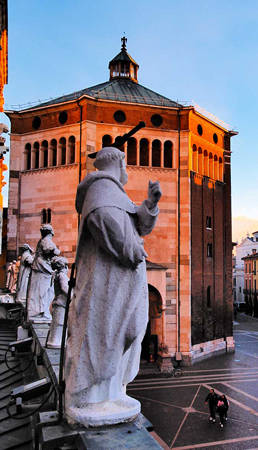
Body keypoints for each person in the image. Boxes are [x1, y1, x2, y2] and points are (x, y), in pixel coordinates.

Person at [64, 146, 161, 427]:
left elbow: (135, 224)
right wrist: (130, 249)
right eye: (125, 163)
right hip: (107, 282)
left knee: (126, 331)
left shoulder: (112, 190)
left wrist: (150, 204)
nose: (127, 169)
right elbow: (102, 220)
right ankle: (94, 398)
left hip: (122, 280)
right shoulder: (100, 189)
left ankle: (113, 392)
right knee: (106, 332)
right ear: (118, 163)